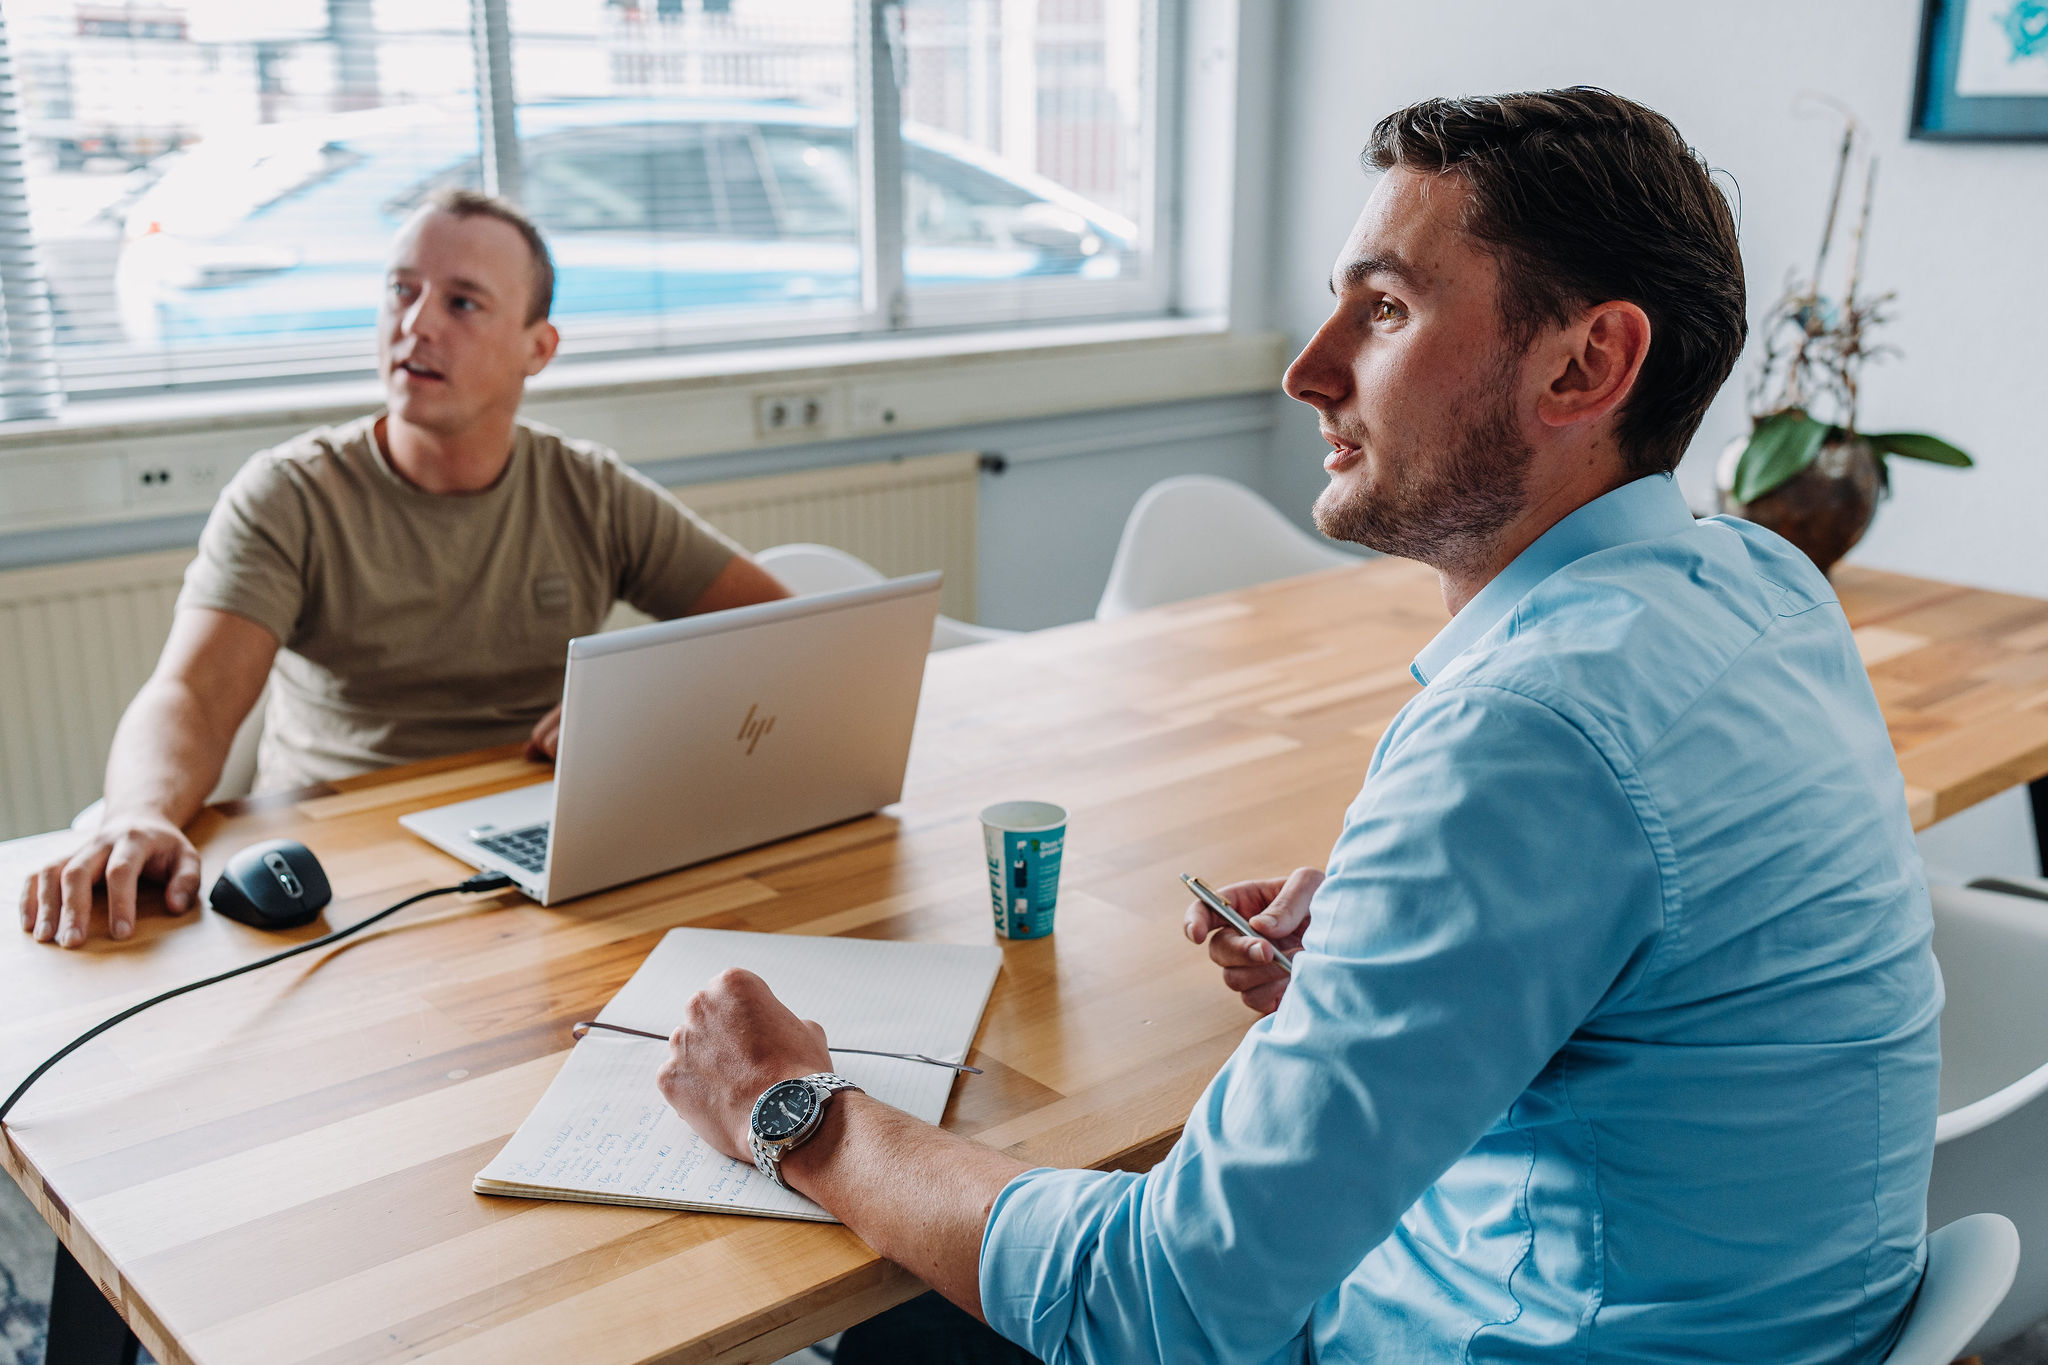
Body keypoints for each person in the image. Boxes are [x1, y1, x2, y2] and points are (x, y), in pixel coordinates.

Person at [653, 88, 1942, 1364]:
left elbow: (1154, 1308)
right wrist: (1411, 955)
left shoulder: (1522, 735)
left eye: (1383, 309)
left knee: (837, 1304)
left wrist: (791, 1107)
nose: (1306, 369)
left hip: (1500, 1338)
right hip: (1750, 1322)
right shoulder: (1760, 582)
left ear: (1584, 363)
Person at [20, 188, 788, 948]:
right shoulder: (291, 493)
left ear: (538, 348)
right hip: (335, 867)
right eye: (401, 290)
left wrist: (645, 701)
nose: (415, 324)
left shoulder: (589, 490)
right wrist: (140, 811)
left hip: (534, 845)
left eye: (462, 303)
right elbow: (190, 691)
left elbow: (778, 630)